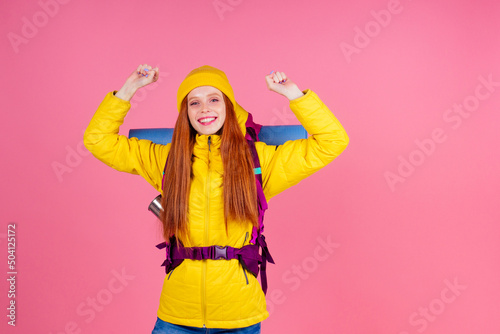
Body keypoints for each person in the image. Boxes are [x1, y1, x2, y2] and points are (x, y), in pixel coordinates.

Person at [83, 64, 349, 333]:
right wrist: (129, 89)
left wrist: (294, 95)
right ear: (185, 113)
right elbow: (98, 140)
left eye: (214, 100)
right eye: (194, 103)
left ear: (229, 107)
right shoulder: (166, 160)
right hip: (177, 316)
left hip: (239, 317)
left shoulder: (258, 161)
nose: (204, 109)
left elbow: (332, 141)